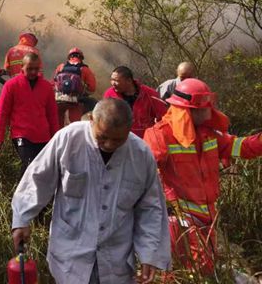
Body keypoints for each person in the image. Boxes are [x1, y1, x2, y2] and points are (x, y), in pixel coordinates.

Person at [11, 98, 171, 284]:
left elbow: (150, 207)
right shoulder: (69, 139)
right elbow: (38, 178)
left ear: (130, 129)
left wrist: (148, 254)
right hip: (70, 256)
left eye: (118, 139)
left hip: (116, 261)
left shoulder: (141, 155)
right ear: (92, 122)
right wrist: (22, 218)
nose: (110, 144)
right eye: (103, 137)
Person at [144, 78, 262, 275]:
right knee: (181, 271)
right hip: (179, 221)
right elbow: (144, 176)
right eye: (205, 107)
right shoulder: (160, 135)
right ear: (190, 110)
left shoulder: (209, 134)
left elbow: (242, 147)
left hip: (207, 217)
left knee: (203, 269)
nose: (210, 111)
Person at [0, 53, 59, 174]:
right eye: (29, 69)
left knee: (41, 169)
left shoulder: (46, 87)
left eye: (36, 69)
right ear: (22, 67)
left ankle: (29, 191)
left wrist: (55, 137)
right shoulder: (11, 85)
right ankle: (21, 192)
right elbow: (2, 112)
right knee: (29, 165)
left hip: (43, 136)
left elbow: (52, 115)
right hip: (21, 134)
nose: (33, 72)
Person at [103, 66, 167, 138]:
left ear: (129, 81)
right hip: (119, 140)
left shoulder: (150, 94)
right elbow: (104, 118)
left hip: (146, 140)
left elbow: (163, 118)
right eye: (112, 80)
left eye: (117, 81)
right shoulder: (109, 95)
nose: (113, 83)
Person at [53, 47, 96, 127]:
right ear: (81, 58)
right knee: (75, 125)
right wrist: (83, 92)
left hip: (59, 99)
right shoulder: (85, 69)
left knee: (58, 124)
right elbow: (92, 88)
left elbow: (54, 82)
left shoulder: (61, 66)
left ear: (69, 57)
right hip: (76, 101)